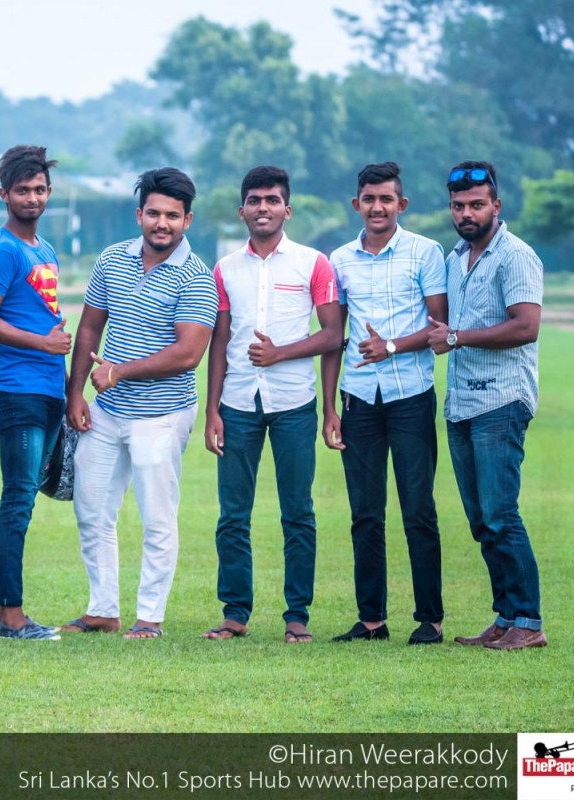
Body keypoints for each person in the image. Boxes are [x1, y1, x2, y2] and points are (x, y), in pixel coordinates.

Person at [64, 167, 216, 639]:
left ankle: (149, 618)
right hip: (107, 411)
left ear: (187, 220)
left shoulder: (197, 276)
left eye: (172, 215)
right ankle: (103, 610)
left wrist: (119, 372)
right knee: (92, 509)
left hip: (162, 415)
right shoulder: (112, 259)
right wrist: (75, 393)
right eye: (153, 213)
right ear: (139, 215)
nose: (161, 223)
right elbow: (90, 327)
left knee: (156, 518)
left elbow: (188, 354)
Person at [204, 165, 343, 643]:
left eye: (272, 200)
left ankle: (297, 616)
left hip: (294, 403)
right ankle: (234, 613)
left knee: (298, 511)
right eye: (254, 200)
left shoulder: (313, 263)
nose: (263, 208)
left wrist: (281, 354)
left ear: (287, 209)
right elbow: (220, 341)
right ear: (241, 210)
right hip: (238, 403)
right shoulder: (225, 268)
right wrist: (212, 410)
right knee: (232, 515)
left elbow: (333, 334)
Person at [321, 162, 450, 645]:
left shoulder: (425, 252)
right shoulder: (339, 260)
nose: (378, 208)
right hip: (358, 399)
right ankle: (371, 620)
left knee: (418, 509)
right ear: (357, 204)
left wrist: (391, 346)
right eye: (370, 199)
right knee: (365, 513)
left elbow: (439, 329)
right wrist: (329, 407)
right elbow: (334, 337)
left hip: (410, 396)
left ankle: (430, 619)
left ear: (402, 204)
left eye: (387, 199)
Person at [427, 161, 545, 650]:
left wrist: (457, 337)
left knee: (501, 514)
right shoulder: (455, 258)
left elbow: (526, 326)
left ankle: (529, 622)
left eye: (477, 205)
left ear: (496, 205)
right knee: (481, 520)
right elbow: (440, 329)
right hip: (462, 404)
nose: (467, 214)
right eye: (458, 206)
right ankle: (506, 617)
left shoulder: (515, 256)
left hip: (501, 401)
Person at [0, 145, 70, 641]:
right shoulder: (1, 251)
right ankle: (8, 615)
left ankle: (8, 612)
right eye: (22, 190)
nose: (32, 198)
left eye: (39, 189)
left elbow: (40, 318)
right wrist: (41, 344)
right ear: (4, 194)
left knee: (26, 497)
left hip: (47, 390)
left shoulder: (44, 249)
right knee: (18, 500)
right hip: (19, 390)